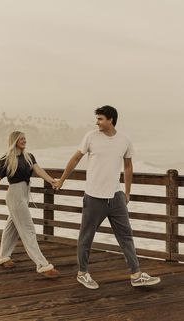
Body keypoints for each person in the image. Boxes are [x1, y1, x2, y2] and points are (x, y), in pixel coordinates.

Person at [53, 105, 161, 289]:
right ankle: (83, 273)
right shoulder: (91, 136)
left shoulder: (124, 140)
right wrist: (62, 180)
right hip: (94, 196)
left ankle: (136, 274)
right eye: (97, 119)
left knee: (126, 235)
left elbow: (128, 167)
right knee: (86, 237)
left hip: (116, 196)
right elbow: (76, 158)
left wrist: (127, 192)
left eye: (100, 119)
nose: (97, 122)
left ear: (111, 119)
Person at [0, 131, 60, 278]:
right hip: (15, 195)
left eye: (25, 138)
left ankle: (3, 256)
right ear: (14, 140)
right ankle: (43, 265)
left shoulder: (28, 156)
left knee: (12, 227)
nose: (24, 141)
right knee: (28, 229)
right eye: (21, 139)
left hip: (24, 193)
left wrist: (51, 180)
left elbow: (38, 170)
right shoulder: (6, 159)